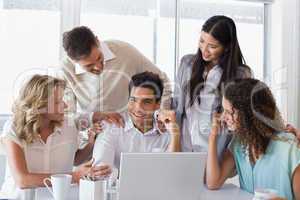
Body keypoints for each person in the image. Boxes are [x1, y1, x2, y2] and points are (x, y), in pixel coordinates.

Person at [0, 75, 110, 199]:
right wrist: (75, 176)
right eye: (57, 102)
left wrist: (91, 143)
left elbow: (75, 159)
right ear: (38, 105)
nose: (65, 105)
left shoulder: (68, 126)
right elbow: (23, 180)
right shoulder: (14, 128)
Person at [206, 78, 300, 200]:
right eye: (224, 111)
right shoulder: (238, 144)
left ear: (249, 114)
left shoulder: (290, 147)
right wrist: (213, 137)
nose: (223, 117)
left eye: (230, 112)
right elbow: (213, 182)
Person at [173, 15, 252, 154]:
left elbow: (244, 116)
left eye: (212, 46)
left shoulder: (240, 74)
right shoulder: (187, 64)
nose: (204, 50)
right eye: (202, 41)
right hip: (184, 147)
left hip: (216, 151)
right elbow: (177, 105)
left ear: (227, 47)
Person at [59, 26, 172, 116]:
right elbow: (68, 115)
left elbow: (163, 81)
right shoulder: (66, 69)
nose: (98, 67)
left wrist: (161, 113)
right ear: (73, 61)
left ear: (98, 41)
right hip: (91, 135)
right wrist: (90, 121)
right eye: (89, 66)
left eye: (99, 58)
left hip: (128, 131)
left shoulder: (125, 52)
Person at [93, 72, 180, 170]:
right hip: (117, 185)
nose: (138, 108)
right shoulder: (111, 126)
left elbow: (172, 171)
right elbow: (100, 172)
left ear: (157, 104)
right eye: (133, 100)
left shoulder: (167, 130)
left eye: (146, 102)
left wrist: (174, 133)